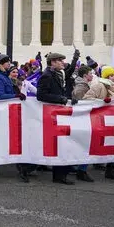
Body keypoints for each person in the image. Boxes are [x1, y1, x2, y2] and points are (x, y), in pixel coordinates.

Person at [37, 52, 75, 185]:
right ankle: (58, 175)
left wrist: (68, 98)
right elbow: (41, 95)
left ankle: (61, 173)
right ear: (52, 62)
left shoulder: (58, 74)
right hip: (52, 114)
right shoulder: (46, 76)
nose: (62, 63)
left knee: (63, 144)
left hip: (59, 113)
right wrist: (60, 99)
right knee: (60, 145)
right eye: (60, 60)